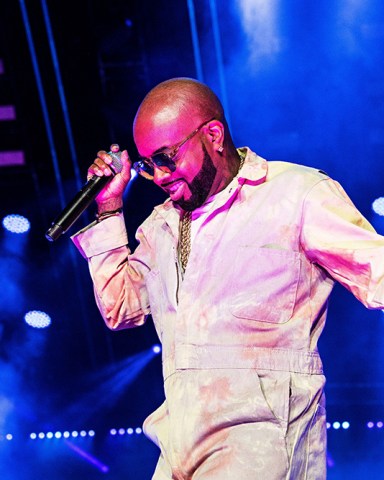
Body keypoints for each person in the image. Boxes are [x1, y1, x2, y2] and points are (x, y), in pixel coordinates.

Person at [72, 77, 384, 479]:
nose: (161, 176)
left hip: (260, 445)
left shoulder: (296, 195)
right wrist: (109, 206)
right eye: (148, 167)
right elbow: (120, 308)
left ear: (214, 135)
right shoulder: (162, 225)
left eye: (166, 158)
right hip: (178, 445)